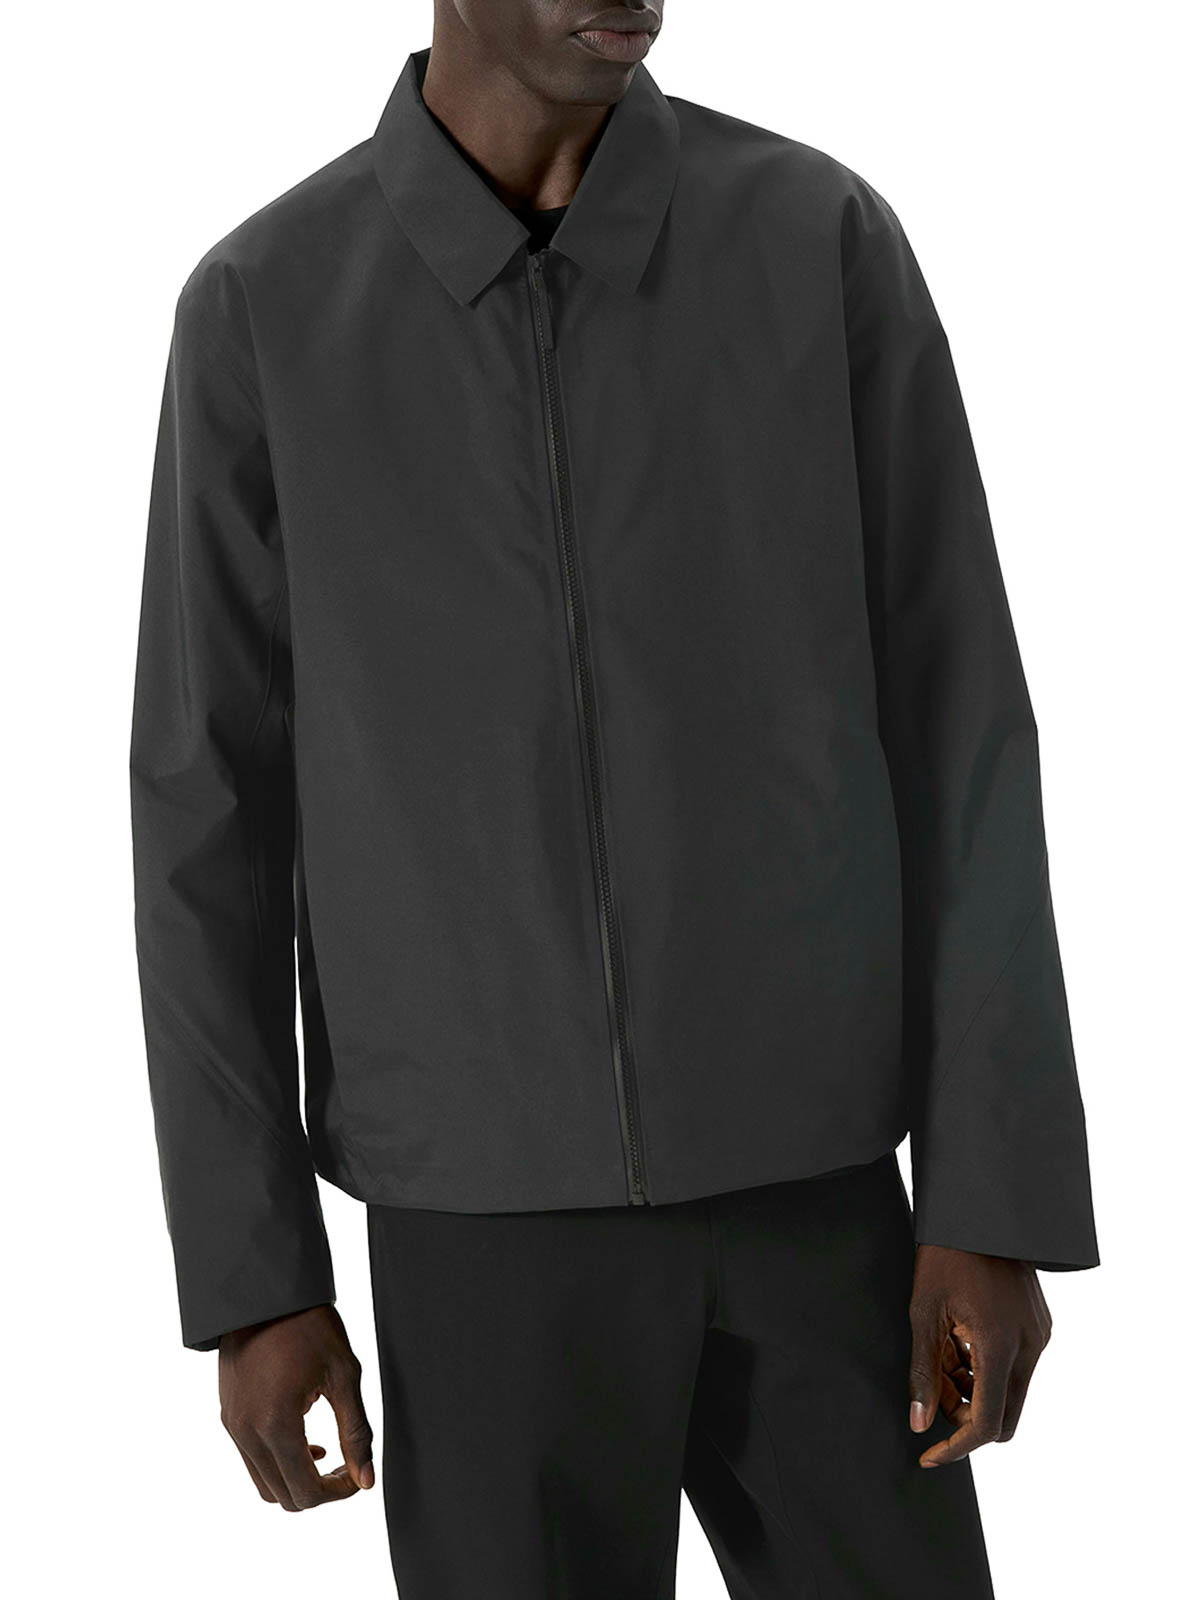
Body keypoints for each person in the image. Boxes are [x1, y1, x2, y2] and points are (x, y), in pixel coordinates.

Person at [129, 3, 1098, 1595]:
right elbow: (205, 820)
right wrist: (254, 1278)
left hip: (820, 1203)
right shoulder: (266, 307)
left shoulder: (818, 241)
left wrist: (992, 1196)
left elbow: (963, 726)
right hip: (478, 1239)